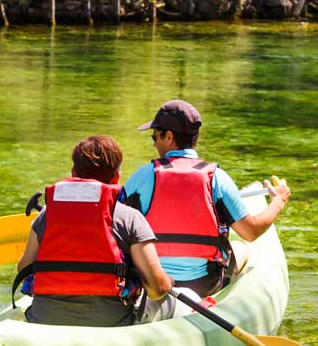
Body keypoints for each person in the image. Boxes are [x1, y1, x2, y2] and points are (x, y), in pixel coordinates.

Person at [121, 99, 291, 299]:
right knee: (241, 248)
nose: (154, 143)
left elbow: (115, 223)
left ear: (169, 136)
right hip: (205, 284)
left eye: (155, 136)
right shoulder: (217, 178)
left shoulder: (143, 176)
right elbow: (251, 231)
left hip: (152, 281)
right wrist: (278, 202)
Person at [16, 135, 175, 327]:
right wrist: (168, 281)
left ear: (74, 173)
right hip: (111, 322)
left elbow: (23, 270)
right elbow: (157, 289)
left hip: (44, 317)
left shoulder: (46, 215)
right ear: (116, 177)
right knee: (170, 301)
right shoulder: (130, 218)